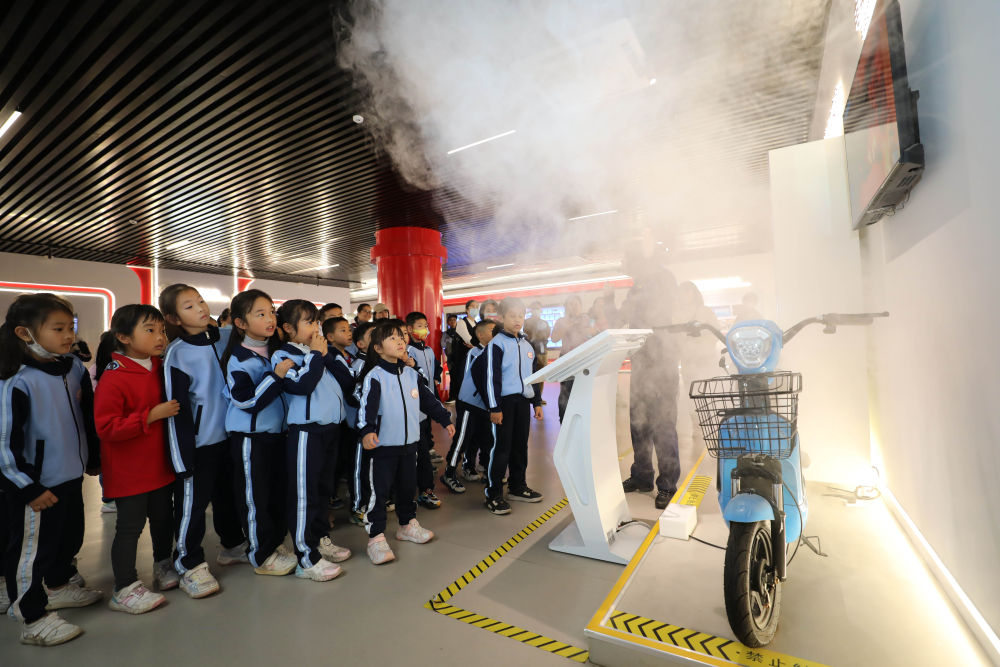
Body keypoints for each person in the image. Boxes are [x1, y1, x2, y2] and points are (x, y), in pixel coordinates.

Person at [1, 293, 102, 646]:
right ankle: (32, 617)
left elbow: (86, 417)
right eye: (58, 329)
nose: (68, 336)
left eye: (69, 328)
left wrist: (93, 458)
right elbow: (4, 443)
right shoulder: (15, 379)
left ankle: (59, 586)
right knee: (31, 553)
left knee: (68, 538)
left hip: (70, 475)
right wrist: (27, 487)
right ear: (24, 333)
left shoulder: (73, 367)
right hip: (36, 485)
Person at [160, 283, 246, 599]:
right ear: (173, 318)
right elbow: (176, 410)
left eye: (199, 301)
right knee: (192, 506)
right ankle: (189, 564)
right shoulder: (177, 353)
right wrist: (181, 457)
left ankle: (232, 545)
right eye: (188, 306)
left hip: (230, 435)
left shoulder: (224, 338)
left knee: (227, 496)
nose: (200, 308)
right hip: (199, 443)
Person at [93, 305, 179, 613]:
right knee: (130, 528)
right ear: (124, 337)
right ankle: (124, 587)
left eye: (162, 330)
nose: (160, 337)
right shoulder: (114, 376)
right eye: (150, 330)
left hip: (160, 465)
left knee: (163, 519)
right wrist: (151, 415)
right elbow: (106, 427)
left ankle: (163, 563)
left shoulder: (161, 367)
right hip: (129, 470)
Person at [357, 322, 455, 564]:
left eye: (401, 336)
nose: (399, 341)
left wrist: (444, 418)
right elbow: (367, 408)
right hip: (383, 447)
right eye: (392, 338)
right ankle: (376, 537)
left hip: (410, 445)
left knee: (407, 487)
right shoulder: (375, 376)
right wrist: (367, 431)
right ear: (378, 348)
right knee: (379, 493)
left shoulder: (411, 374)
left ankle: (407, 524)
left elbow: (428, 400)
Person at [219, 290, 298, 577]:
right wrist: (275, 376)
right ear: (241, 323)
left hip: (278, 435)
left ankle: (274, 543)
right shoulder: (238, 358)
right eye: (260, 314)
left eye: (271, 312)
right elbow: (246, 401)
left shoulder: (277, 351)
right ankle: (261, 555)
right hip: (251, 440)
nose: (269, 319)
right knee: (255, 498)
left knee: (277, 493)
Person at [272, 300, 350, 582]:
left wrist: (325, 355)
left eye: (316, 322)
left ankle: (319, 540)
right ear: (289, 328)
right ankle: (305, 557)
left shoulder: (319, 351)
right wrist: (316, 355)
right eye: (308, 322)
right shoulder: (283, 354)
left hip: (330, 429)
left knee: (323, 489)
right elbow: (301, 386)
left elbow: (347, 382)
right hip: (306, 431)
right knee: (304, 495)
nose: (315, 327)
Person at [619, 233, 682, 510]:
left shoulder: (664, 279)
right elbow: (626, 316)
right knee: (639, 423)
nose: (628, 267)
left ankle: (667, 484)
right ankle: (642, 476)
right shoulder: (636, 287)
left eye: (630, 262)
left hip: (662, 364)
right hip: (641, 364)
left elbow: (660, 313)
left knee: (663, 425)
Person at [479, 297, 544, 515]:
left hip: (523, 402)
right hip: (504, 404)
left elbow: (533, 377)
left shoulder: (527, 345)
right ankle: (493, 494)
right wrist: (494, 407)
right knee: (501, 449)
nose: (517, 320)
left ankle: (517, 486)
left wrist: (536, 402)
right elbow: (491, 379)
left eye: (520, 316)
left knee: (520, 446)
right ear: (501, 318)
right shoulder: (496, 345)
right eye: (512, 316)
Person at [441, 319, 497, 492]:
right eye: (491, 330)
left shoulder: (494, 352)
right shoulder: (474, 353)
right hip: (469, 403)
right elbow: (467, 379)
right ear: (480, 335)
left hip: (485, 405)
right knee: (463, 438)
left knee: (483, 438)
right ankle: (449, 472)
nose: (495, 333)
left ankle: (470, 467)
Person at [405, 311, 443, 509]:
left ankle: (426, 489)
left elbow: (436, 368)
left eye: (425, 325)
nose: (424, 329)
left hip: (426, 405)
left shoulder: (428, 350)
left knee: (424, 444)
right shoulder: (408, 351)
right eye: (420, 326)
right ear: (409, 329)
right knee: (414, 451)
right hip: (413, 408)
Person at [322, 316, 360, 514]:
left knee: (344, 457)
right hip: (341, 415)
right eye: (343, 330)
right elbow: (347, 384)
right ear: (329, 337)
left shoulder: (349, 355)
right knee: (337, 460)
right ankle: (331, 494)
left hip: (348, 415)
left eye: (349, 330)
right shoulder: (330, 356)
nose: (349, 333)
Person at [550, 295, 593, 422]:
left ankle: (581, 419)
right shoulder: (561, 321)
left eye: (576, 304)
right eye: (570, 304)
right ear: (565, 307)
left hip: (584, 360)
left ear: (581, 306)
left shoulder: (587, 319)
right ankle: (564, 421)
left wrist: (588, 331)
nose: (573, 307)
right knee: (565, 392)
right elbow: (554, 339)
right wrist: (566, 326)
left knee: (583, 391)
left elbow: (593, 334)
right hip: (566, 360)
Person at [349, 322, 374, 525]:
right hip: (361, 425)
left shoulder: (378, 363)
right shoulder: (358, 365)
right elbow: (355, 394)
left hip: (376, 424)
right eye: (372, 335)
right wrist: (373, 407)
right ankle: (358, 505)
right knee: (360, 466)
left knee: (372, 465)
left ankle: (371, 501)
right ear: (360, 344)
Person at [448, 300, 479, 404]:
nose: (475, 309)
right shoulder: (462, 322)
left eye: (477, 307)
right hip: (462, 359)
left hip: (473, 357)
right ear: (467, 309)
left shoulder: (476, 324)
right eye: (472, 306)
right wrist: (477, 345)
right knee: (462, 383)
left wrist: (475, 346)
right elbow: (469, 340)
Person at [523, 301, 550, 402]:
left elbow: (547, 334)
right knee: (529, 374)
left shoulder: (544, 322)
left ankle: (539, 398)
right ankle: (528, 396)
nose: (536, 310)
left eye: (538, 308)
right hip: (530, 351)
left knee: (541, 375)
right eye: (534, 308)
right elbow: (526, 334)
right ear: (531, 310)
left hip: (542, 351)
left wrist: (540, 335)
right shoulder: (526, 322)